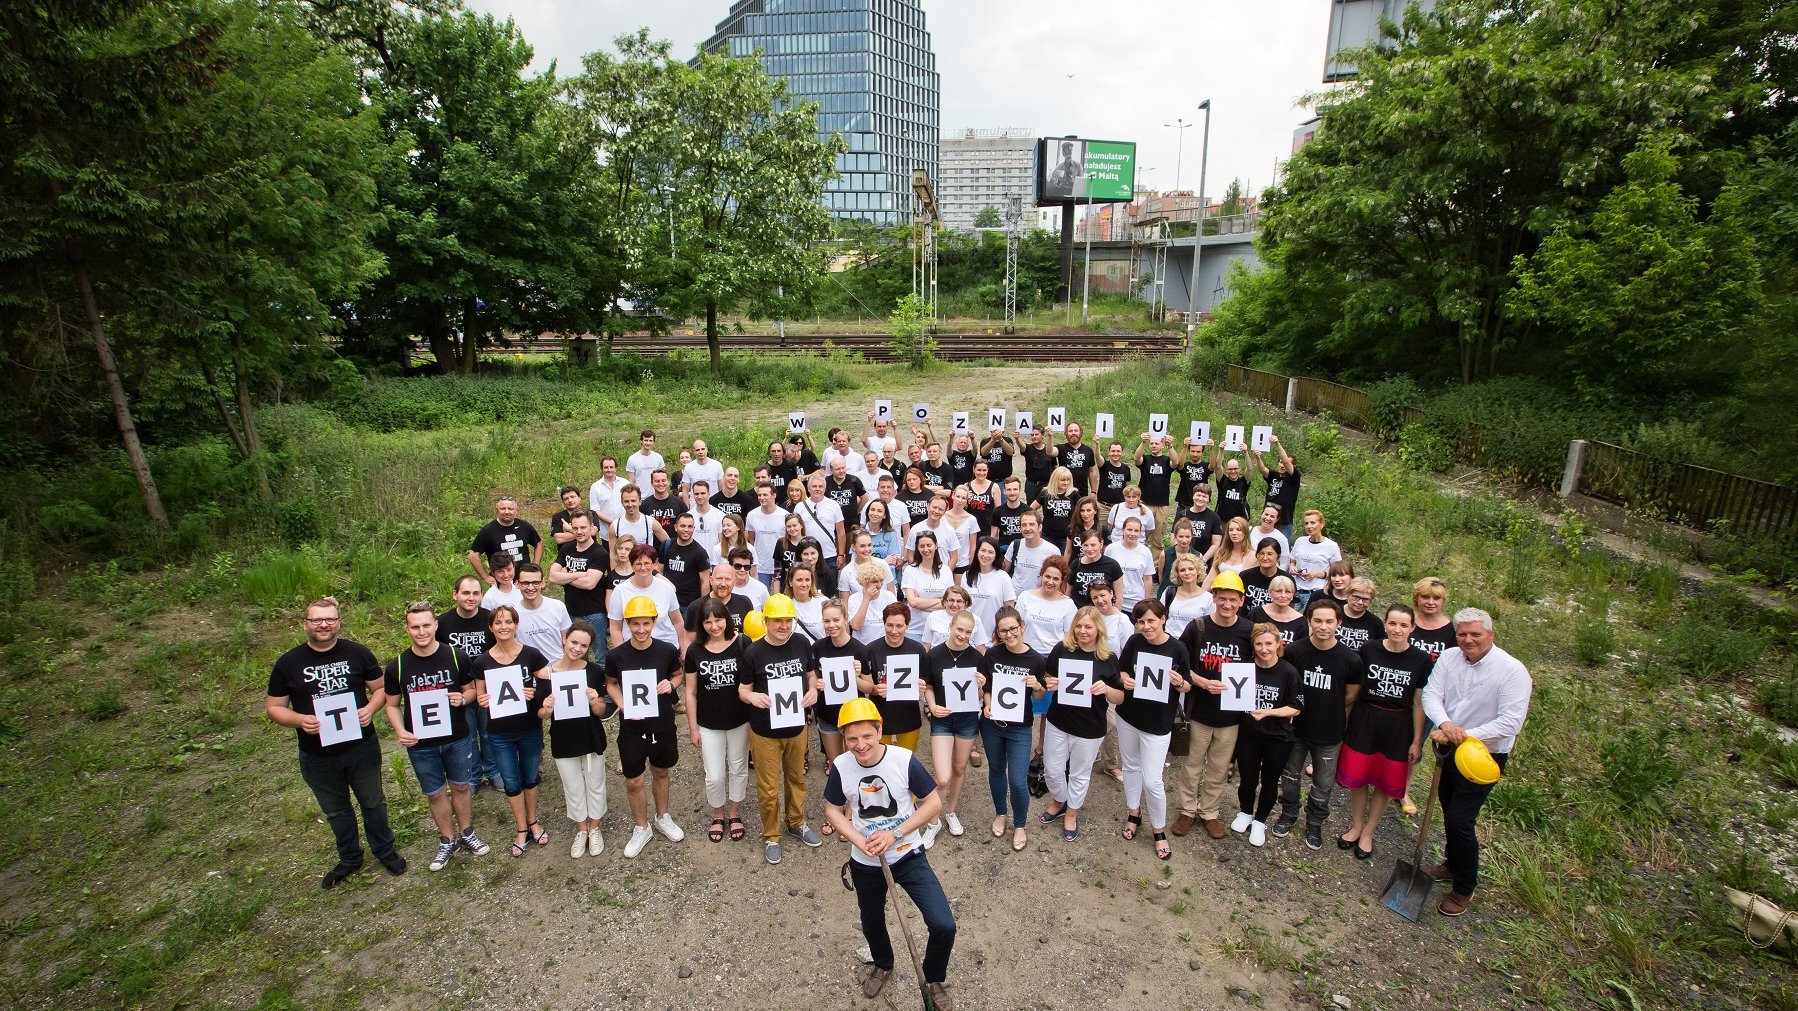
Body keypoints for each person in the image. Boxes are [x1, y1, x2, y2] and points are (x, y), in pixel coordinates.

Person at [823, 697, 958, 1009]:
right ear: (843, 736)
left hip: (908, 854)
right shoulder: (842, 767)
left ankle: (934, 977)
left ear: (880, 729)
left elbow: (933, 803)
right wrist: (859, 840)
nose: (860, 745)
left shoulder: (903, 759)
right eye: (852, 738)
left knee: (943, 924)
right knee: (871, 922)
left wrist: (895, 833)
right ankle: (883, 963)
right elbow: (832, 810)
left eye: (867, 736)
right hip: (866, 861)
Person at [267, 597, 405, 888]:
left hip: (361, 747)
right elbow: (274, 707)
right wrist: (298, 720)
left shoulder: (357, 654)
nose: (324, 624)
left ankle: (384, 850)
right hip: (316, 754)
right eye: (317, 619)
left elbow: (381, 689)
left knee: (373, 801)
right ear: (305, 624)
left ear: (339, 622)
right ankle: (350, 857)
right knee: (336, 810)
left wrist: (370, 708)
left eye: (329, 619)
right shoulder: (289, 663)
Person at [1420, 608, 1532, 916]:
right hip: (1450, 747)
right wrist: (1445, 724)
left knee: (1460, 819)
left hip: (1483, 756)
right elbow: (1431, 695)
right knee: (1447, 806)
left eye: (1475, 634)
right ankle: (1453, 864)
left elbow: (1510, 723)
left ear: (1490, 635)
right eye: (1462, 634)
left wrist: (1462, 734)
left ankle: (1464, 887)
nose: (1468, 640)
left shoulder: (1511, 670)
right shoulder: (1449, 658)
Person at [384, 603, 486, 872]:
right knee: (435, 793)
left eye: (426, 625)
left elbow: (472, 691)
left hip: (457, 735)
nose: (421, 631)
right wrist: (399, 730)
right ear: (407, 629)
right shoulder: (397, 666)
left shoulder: (456, 656)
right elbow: (392, 704)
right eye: (415, 627)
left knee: (461, 786)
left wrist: (463, 698)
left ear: (435, 625)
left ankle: (466, 832)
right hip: (421, 743)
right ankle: (447, 839)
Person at [1337, 604, 1432, 859]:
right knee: (1359, 778)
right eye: (1392, 623)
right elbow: (1355, 689)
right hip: (1365, 717)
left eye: (1403, 625)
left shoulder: (1421, 659)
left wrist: (1416, 741)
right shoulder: (1369, 649)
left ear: (1412, 628)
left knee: (1384, 782)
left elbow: (1418, 702)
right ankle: (1356, 825)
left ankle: (1369, 831)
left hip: (1398, 724)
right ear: (1385, 624)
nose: (1397, 629)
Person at [1273, 598, 1367, 850]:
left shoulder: (1350, 659)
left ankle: (1314, 823)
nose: (1323, 626)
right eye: (1317, 620)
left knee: (1323, 783)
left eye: (1329, 621)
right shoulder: (1295, 651)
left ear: (1338, 623)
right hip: (1296, 728)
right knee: (1290, 775)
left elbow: (1350, 695)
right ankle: (1288, 813)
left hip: (1329, 731)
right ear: (1309, 621)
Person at [739, 593, 824, 864]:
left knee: (797, 778)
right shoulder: (753, 652)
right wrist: (752, 697)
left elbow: (811, 674)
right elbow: (743, 689)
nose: (783, 626)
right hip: (764, 730)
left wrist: (812, 690)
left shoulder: (801, 643)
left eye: (788, 620)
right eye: (777, 621)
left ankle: (796, 822)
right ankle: (771, 835)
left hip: (797, 726)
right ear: (766, 622)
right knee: (768, 786)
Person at [1170, 571, 1253, 839]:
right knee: (1192, 764)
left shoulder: (1249, 631)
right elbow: (1181, 665)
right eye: (1222, 599)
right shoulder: (1198, 627)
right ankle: (1186, 810)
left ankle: (1210, 812)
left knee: (1219, 767)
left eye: (1233, 599)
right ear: (1214, 598)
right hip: (1200, 710)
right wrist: (1203, 683)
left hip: (1231, 715)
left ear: (1241, 601)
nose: (1227, 605)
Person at [605, 596, 686, 858]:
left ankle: (662, 816)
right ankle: (642, 826)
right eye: (635, 624)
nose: (641, 630)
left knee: (661, 772)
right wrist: (623, 705)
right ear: (627, 624)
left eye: (646, 623)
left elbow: (677, 674)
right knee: (633, 780)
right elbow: (610, 683)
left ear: (654, 622)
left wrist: (671, 685)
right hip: (632, 727)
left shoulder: (666, 650)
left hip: (662, 722)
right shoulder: (616, 655)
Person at [470, 605, 551, 858]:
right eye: (498, 622)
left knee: (530, 776)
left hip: (529, 727)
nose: (503, 626)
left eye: (508, 621)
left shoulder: (531, 655)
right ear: (491, 627)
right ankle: (520, 828)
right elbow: (479, 693)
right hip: (499, 731)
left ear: (516, 625)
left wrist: (535, 692)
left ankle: (533, 820)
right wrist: (481, 700)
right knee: (511, 781)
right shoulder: (482, 661)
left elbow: (548, 683)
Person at [1115, 600, 1193, 860]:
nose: (1146, 626)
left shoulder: (1177, 648)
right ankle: (1133, 812)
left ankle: (1158, 829)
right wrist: (1124, 679)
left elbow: (1187, 686)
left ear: (1163, 619)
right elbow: (1122, 669)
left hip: (1158, 724)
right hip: (1129, 716)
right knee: (1131, 768)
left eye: (1150, 620)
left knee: (1153, 780)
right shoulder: (1135, 643)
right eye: (1141, 621)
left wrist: (1180, 682)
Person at [1038, 606, 1124, 841]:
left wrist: (1106, 689)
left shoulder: (1108, 658)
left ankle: (1071, 812)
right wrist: (1051, 683)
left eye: (1088, 626)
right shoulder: (1063, 649)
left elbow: (1120, 697)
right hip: (1059, 720)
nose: (1083, 631)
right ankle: (1059, 800)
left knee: (1080, 773)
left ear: (1098, 629)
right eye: (1079, 626)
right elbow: (1047, 677)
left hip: (1090, 727)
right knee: (1053, 768)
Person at [540, 621, 611, 858]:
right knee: (572, 784)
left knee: (595, 780)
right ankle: (582, 828)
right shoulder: (548, 674)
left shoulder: (593, 672)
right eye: (574, 642)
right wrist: (546, 709)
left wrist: (594, 701)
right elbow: (539, 714)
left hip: (590, 734)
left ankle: (596, 826)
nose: (577, 648)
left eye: (584, 645)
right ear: (564, 640)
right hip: (563, 736)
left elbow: (601, 709)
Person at [1230, 623, 1304, 847]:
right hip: (1249, 734)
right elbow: (1233, 694)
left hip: (1278, 736)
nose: (1264, 649)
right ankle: (1245, 812)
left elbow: (1296, 707)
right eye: (1259, 644)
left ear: (1278, 644)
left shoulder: (1288, 671)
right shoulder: (1243, 668)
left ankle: (1260, 821)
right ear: (1253, 645)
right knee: (1248, 778)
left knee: (1270, 780)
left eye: (1269, 644)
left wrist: (1269, 713)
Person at [685, 597, 751, 844]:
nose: (714, 626)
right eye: (708, 622)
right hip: (708, 722)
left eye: (718, 620)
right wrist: (693, 727)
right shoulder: (695, 650)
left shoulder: (743, 643)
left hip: (739, 719)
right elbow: (690, 692)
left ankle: (734, 812)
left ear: (727, 620)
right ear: (701, 625)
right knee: (713, 775)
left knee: (738, 768)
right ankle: (717, 813)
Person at [922, 610, 986, 846]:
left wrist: (981, 686)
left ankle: (951, 811)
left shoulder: (977, 658)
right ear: (950, 626)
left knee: (959, 768)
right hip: (942, 719)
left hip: (968, 719)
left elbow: (979, 696)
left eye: (968, 632)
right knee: (942, 777)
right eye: (959, 630)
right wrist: (932, 706)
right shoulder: (934, 655)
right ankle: (932, 821)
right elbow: (928, 686)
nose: (963, 636)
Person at [982, 606, 1043, 851]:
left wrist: (1037, 684)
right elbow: (986, 688)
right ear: (997, 632)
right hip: (992, 725)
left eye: (1013, 629)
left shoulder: (1036, 659)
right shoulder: (992, 655)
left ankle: (1020, 824)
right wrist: (987, 705)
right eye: (1003, 631)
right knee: (996, 770)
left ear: (1022, 627)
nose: (1009, 634)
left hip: (1020, 728)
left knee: (1017, 781)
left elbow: (1040, 697)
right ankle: (1000, 813)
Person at [438, 576, 500, 791]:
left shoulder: (489, 620)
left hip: (487, 688)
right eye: (465, 593)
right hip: (458, 690)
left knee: (488, 732)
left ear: (482, 596)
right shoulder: (442, 624)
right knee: (468, 735)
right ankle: (473, 776)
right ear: (455, 594)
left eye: (475, 593)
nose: (471, 598)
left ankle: (493, 770)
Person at [861, 602, 929, 752]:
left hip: (908, 715)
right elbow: (867, 684)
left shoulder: (917, 649)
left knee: (907, 761)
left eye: (899, 626)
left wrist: (922, 684)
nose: (894, 631)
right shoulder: (870, 650)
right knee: (880, 760)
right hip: (880, 715)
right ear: (883, 624)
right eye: (889, 625)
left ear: (907, 626)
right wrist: (875, 689)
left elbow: (925, 677)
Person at [606, 544, 681, 649]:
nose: (643, 567)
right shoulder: (620, 591)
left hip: (667, 647)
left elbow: (677, 621)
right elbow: (615, 627)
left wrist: (684, 648)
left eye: (647, 563)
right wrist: (621, 654)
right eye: (638, 564)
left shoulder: (666, 587)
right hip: (633, 649)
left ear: (654, 565)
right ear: (632, 566)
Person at [549, 510, 608, 629]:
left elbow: (589, 583)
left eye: (583, 527)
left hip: (594, 613)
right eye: (575, 528)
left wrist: (565, 577)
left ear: (591, 527)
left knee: (599, 648)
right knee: (573, 647)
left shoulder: (600, 553)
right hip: (571, 611)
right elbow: (552, 577)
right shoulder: (566, 549)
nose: (579, 532)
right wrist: (580, 574)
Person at [468, 495, 541, 584]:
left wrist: (535, 566)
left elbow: (538, 543)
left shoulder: (524, 526)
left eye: (510, 509)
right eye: (503, 508)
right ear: (497, 510)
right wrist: (485, 577)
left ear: (516, 510)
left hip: (524, 579)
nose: (507, 512)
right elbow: (473, 555)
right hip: (501, 581)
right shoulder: (488, 531)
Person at [513, 563, 571, 664]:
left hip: (557, 669)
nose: (531, 588)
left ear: (542, 583)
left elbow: (568, 640)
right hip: (529, 672)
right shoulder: (512, 613)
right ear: (517, 584)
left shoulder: (558, 607)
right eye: (525, 583)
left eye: (535, 582)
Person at [687, 561, 755, 644]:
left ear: (734, 582)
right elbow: (690, 641)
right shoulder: (696, 607)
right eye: (719, 579)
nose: (723, 584)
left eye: (728, 579)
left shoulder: (744, 602)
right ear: (711, 580)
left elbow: (752, 633)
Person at [901, 531, 952, 640]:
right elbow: (913, 602)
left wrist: (920, 601)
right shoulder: (910, 570)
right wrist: (941, 601)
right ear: (917, 548)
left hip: (940, 629)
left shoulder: (946, 571)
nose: (926, 550)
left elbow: (950, 603)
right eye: (922, 546)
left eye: (929, 545)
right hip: (915, 630)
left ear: (936, 545)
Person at [962, 537, 1016, 640]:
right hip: (969, 636)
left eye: (990, 552)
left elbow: (1009, 609)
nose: (986, 555)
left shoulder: (1003, 577)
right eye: (983, 550)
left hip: (994, 637)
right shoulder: (967, 575)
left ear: (996, 556)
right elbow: (963, 606)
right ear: (977, 552)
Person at [1287, 510, 1341, 607]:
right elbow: (1292, 560)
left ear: (1321, 524)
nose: (1309, 526)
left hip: (1316, 592)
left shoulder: (1331, 546)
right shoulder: (1300, 541)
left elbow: (1338, 572)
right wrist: (1292, 567)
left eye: (1313, 523)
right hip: (1296, 590)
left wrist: (1318, 574)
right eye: (1306, 523)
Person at [1251, 433, 1301, 536]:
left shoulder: (1294, 478)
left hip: (1284, 522)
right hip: (1268, 519)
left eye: (1284, 463)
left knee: (1282, 550)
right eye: (1280, 462)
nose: (1282, 465)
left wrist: (1277, 444)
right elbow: (1263, 470)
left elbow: (1287, 462)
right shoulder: (1274, 475)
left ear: (1294, 466)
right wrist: (1258, 458)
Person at [658, 513, 712, 608]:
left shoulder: (700, 552)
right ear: (676, 527)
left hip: (689, 604)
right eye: (683, 526)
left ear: (694, 528)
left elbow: (705, 582)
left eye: (690, 526)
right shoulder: (667, 545)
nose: (686, 530)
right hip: (667, 601)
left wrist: (703, 607)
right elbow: (659, 571)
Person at [796, 472, 848, 570]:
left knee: (831, 585)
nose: (817, 489)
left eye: (820, 486)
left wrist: (841, 554)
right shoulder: (800, 507)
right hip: (807, 557)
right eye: (814, 486)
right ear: (808, 488)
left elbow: (841, 532)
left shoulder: (834, 505)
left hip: (829, 555)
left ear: (825, 488)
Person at [1104, 516, 1156, 613]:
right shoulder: (1111, 549)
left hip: (1136, 601)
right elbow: (1105, 575)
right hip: (1115, 600)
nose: (1132, 534)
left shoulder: (1145, 551)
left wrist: (1146, 601)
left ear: (1140, 532)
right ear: (1123, 530)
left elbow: (1147, 578)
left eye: (1136, 531)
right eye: (1129, 530)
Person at [744, 480, 789, 589]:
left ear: (773, 495)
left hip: (781, 564)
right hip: (761, 565)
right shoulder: (752, 515)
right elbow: (751, 539)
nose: (761, 497)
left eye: (765, 494)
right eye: (759, 495)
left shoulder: (785, 515)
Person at [1134, 434, 1174, 550]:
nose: (1154, 445)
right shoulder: (1145, 459)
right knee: (1140, 532)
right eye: (1152, 443)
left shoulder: (1167, 460)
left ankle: (1156, 562)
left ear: (1162, 445)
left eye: (1156, 443)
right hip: (1145, 502)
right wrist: (1143, 442)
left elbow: (1176, 463)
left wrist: (1170, 445)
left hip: (1162, 503)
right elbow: (1137, 459)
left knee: (1158, 535)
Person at [1006, 509, 1058, 594]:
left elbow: (1058, 579)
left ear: (1040, 527)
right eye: (1024, 525)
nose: (1027, 528)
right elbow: (1004, 570)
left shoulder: (1052, 551)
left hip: (1038, 600)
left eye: (1031, 524)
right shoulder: (1015, 545)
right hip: (1015, 600)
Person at [923, 584, 990, 650]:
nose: (955, 605)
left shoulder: (975, 619)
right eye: (951, 600)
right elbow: (927, 646)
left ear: (966, 603)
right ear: (944, 602)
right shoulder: (933, 617)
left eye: (959, 601)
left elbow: (981, 649)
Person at [1248, 575, 1308, 647]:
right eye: (1279, 591)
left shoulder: (1301, 621)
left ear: (1293, 594)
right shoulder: (1256, 613)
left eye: (1288, 592)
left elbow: (1301, 649)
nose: (1283, 595)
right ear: (1270, 592)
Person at [848, 560, 899, 645]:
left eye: (881, 580)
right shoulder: (854, 599)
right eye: (874, 581)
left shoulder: (889, 596)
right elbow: (856, 626)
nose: (879, 585)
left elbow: (897, 622)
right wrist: (866, 599)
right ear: (864, 582)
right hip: (863, 646)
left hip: (885, 647)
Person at [1068, 529, 1122, 608]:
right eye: (1085, 545)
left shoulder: (1112, 565)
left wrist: (1115, 617)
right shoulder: (1076, 564)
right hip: (1079, 613)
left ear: (1101, 544)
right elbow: (1068, 592)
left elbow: (1118, 597)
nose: (1089, 549)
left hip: (1102, 614)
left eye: (1093, 545)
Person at [1171, 435, 1214, 530]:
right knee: (1178, 530)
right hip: (1184, 504)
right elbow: (1179, 465)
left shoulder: (1205, 466)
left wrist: (1211, 449)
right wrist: (1185, 447)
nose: (1195, 454)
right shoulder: (1185, 465)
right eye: (1193, 451)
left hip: (1200, 504)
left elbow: (1213, 466)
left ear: (1202, 453)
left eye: (1198, 452)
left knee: (1198, 532)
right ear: (1189, 451)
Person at [1408, 577, 1455, 661]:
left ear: (1443, 601)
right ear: (1416, 598)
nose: (1430, 602)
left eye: (1436, 598)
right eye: (1425, 597)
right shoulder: (1404, 622)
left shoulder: (1452, 629)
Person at [1178, 484, 1224, 566]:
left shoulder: (1214, 517)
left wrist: (1202, 560)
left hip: (1204, 560)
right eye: (1198, 495)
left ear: (1208, 499)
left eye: (1204, 496)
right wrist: (1181, 556)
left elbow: (1216, 544)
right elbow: (1174, 536)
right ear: (1193, 496)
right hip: (1183, 558)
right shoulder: (1182, 514)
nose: (1200, 498)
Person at [1336, 577, 1384, 653]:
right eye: (1356, 597)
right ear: (1347, 595)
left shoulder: (1375, 623)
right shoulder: (1333, 614)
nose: (1360, 602)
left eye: (1365, 599)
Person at [1035, 465, 1078, 551]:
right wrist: (1037, 525)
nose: (1066, 483)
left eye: (1068, 480)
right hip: (1048, 535)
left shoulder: (1074, 494)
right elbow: (1031, 509)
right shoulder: (1046, 493)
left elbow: (1080, 512)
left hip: (1066, 537)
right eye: (1062, 480)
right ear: (1055, 480)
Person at [589, 456, 627, 544]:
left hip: (626, 529)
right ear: (602, 469)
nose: (609, 470)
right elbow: (595, 510)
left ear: (616, 468)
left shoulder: (625, 483)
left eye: (611, 467)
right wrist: (613, 522)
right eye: (606, 467)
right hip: (607, 532)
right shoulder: (595, 487)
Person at [1240, 538, 1285, 613]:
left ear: (1278, 557)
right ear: (1256, 555)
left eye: (1269, 554)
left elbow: (1289, 608)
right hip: (1247, 622)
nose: (1265, 558)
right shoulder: (1245, 576)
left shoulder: (1286, 579)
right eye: (1261, 553)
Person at [643, 469, 689, 539]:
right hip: (652, 547)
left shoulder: (679, 503)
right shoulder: (645, 504)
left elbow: (687, 524)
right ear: (651, 483)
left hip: (674, 546)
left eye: (663, 480)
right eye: (657, 481)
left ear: (668, 482)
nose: (661, 484)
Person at [687, 481, 726, 561]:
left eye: (703, 493)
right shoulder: (688, 516)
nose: (699, 496)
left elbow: (723, 543)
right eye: (696, 494)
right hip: (693, 562)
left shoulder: (720, 516)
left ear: (709, 494)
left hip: (714, 562)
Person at [1208, 517, 1254, 582]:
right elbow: (1210, 578)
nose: (1234, 533)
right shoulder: (1221, 552)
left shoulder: (1252, 555)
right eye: (1231, 530)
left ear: (1245, 532)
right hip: (1220, 589)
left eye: (1238, 529)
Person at [1021, 427, 1059, 502]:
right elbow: (1021, 446)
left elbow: (1054, 466)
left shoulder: (1049, 450)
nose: (1034, 436)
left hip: (1047, 484)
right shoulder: (1028, 448)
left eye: (1036, 434)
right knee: (1031, 508)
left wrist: (1054, 482)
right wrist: (1017, 438)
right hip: (1032, 485)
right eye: (1032, 435)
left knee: (1048, 507)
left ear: (1042, 435)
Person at [1058, 421, 1095, 495]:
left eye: (1076, 430)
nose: (1073, 433)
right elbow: (1050, 452)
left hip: (1082, 492)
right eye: (1070, 431)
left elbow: (1092, 471)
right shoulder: (1061, 448)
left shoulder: (1088, 450)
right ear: (1066, 434)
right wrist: (1050, 436)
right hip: (1064, 491)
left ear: (1080, 433)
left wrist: (1094, 491)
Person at [1248, 506, 1290, 571]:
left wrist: (1277, 576)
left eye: (1272, 516)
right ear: (1261, 514)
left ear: (1277, 520)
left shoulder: (1281, 538)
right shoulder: (1249, 531)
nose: (1268, 518)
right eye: (1266, 514)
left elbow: (1285, 562)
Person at [1213, 453, 1251, 524]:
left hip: (1240, 520)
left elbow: (1250, 469)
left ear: (1240, 469)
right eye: (1230, 469)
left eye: (1235, 469)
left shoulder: (1243, 482)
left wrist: (1245, 453)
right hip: (1223, 519)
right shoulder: (1222, 480)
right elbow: (1217, 467)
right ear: (1226, 470)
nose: (1233, 471)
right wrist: (1221, 450)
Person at [625, 428, 664, 494]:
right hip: (640, 497)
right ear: (641, 441)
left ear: (653, 442)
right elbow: (631, 481)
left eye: (650, 441)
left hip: (656, 496)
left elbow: (662, 478)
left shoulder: (658, 457)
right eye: (646, 440)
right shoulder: (632, 459)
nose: (648, 443)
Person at [1065, 496, 1103, 560]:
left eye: (1088, 510)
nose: (1085, 514)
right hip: (1076, 566)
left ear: (1095, 511)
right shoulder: (1072, 529)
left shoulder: (1103, 529)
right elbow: (1068, 552)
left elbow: (1105, 553)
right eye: (1082, 510)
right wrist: (1064, 569)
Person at [1095, 441, 1132, 507]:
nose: (1115, 453)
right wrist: (1097, 444)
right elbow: (1097, 456)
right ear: (1108, 452)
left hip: (1120, 506)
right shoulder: (1104, 464)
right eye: (1113, 451)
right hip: (1103, 506)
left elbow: (1127, 487)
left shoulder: (1126, 468)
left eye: (1118, 451)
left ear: (1122, 453)